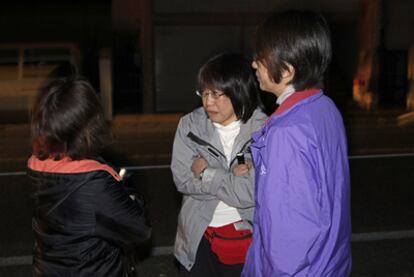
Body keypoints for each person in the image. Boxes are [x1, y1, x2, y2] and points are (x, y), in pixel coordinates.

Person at [242, 10, 352, 276]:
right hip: (330, 263)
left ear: (288, 70)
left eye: (262, 58)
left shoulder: (286, 132)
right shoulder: (324, 108)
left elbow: (286, 235)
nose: (254, 64)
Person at [27, 77, 151, 276]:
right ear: (88, 125)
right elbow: (139, 229)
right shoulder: (93, 181)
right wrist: (132, 194)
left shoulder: (37, 164)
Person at [171, 53, 267, 276]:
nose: (207, 102)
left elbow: (249, 192)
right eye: (203, 93)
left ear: (238, 91)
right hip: (198, 235)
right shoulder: (190, 125)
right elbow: (182, 179)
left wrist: (206, 172)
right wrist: (231, 179)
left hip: (244, 236)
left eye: (215, 94)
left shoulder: (262, 130)